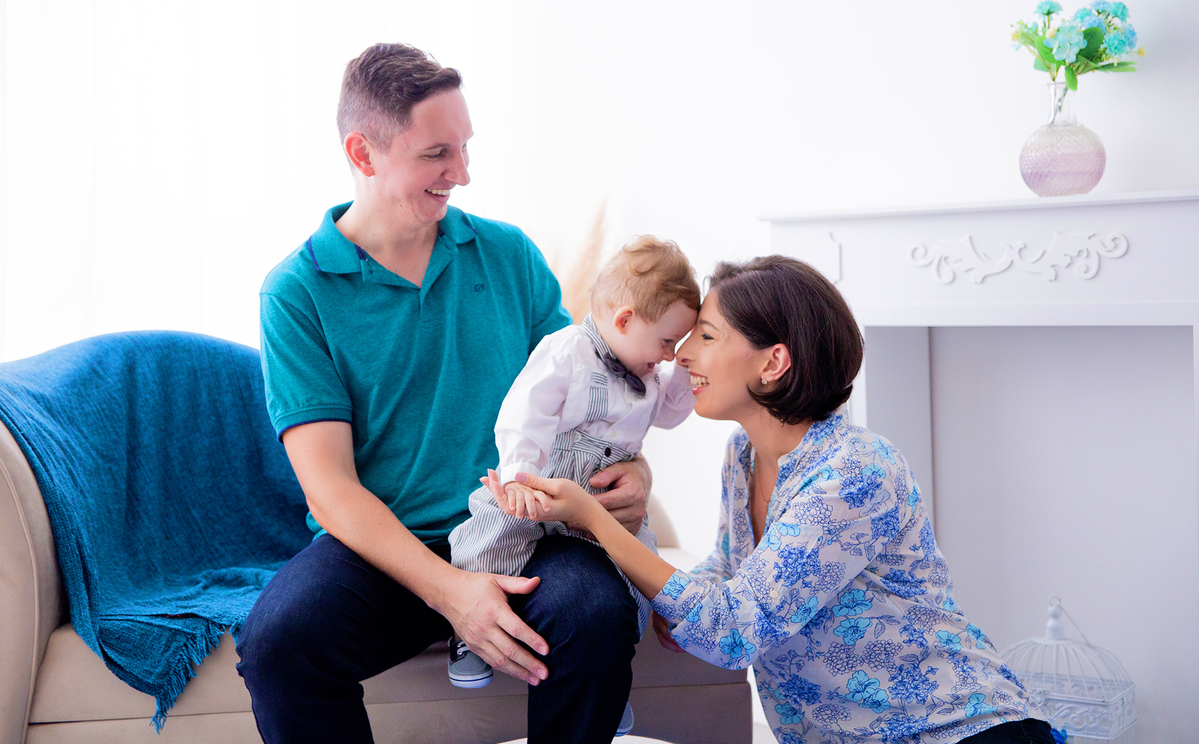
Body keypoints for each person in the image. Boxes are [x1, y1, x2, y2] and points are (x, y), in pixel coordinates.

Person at [236, 42, 654, 744]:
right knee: (279, 644)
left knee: (596, 613)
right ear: (364, 154)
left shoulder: (508, 254)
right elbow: (331, 490)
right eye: (437, 154)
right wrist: (453, 593)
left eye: (463, 148)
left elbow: (592, 400)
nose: (462, 173)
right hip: (386, 549)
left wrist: (636, 473)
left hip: (525, 528)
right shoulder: (297, 293)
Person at [482, 256, 1054, 744]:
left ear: (772, 362)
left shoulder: (853, 475)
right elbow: (732, 572)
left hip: (952, 730)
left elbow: (732, 630)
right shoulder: (745, 454)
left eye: (706, 336)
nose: (681, 357)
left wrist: (592, 518)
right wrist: (671, 598)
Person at [447, 235, 700, 727]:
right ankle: (468, 637)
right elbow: (525, 413)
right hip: (543, 478)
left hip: (599, 504)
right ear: (625, 320)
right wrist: (520, 475)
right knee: (492, 537)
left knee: (635, 567)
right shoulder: (567, 350)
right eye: (668, 342)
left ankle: (606, 683)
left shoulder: (647, 373)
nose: (669, 355)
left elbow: (670, 415)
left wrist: (688, 370)